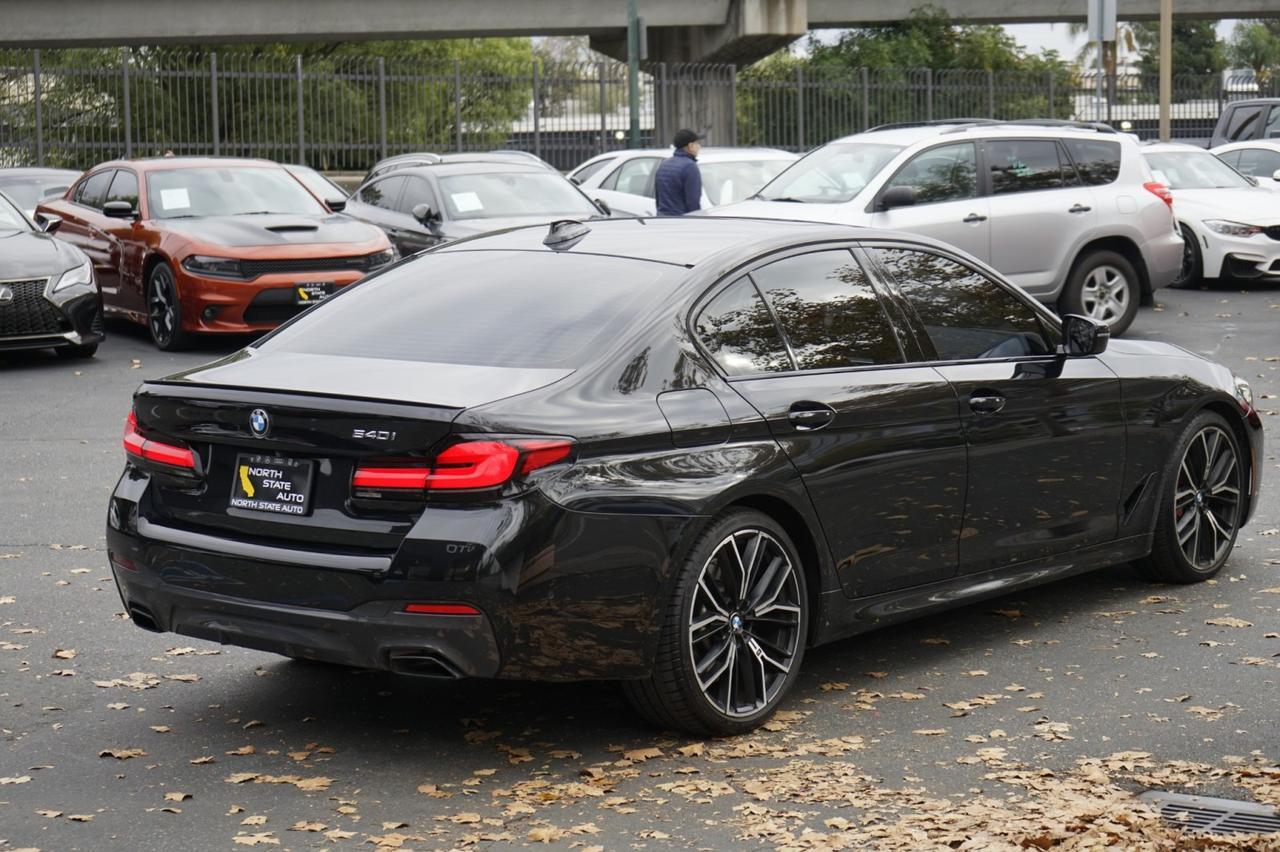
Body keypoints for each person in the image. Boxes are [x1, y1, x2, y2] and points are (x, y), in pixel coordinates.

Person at [654, 129, 702, 216]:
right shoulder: (690, 167)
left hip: (661, 218)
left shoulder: (664, 164)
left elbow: (658, 197)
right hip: (680, 221)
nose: (699, 147)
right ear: (690, 146)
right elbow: (693, 201)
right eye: (697, 144)